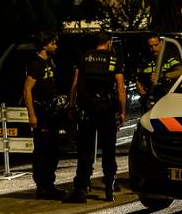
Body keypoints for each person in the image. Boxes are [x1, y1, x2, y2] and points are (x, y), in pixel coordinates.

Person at [63, 32, 126, 203]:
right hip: (106, 109)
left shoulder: (84, 57)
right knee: (108, 150)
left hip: (88, 110)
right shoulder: (113, 59)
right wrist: (122, 111)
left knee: (85, 150)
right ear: (108, 42)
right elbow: (120, 87)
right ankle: (109, 187)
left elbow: (75, 84)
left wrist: (71, 105)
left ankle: (81, 189)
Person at [23, 31, 66, 200]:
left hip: (51, 113)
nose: (56, 46)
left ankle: (50, 185)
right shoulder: (36, 64)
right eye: (53, 43)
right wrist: (32, 115)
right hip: (41, 114)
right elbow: (27, 90)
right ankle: (42, 187)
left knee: (53, 150)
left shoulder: (49, 62)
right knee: (42, 151)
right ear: (44, 45)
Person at [135, 34, 182, 100]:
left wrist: (161, 75)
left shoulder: (169, 56)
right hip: (149, 98)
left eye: (156, 45)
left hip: (168, 96)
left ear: (161, 43)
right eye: (150, 46)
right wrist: (138, 84)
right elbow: (139, 76)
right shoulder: (144, 59)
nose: (154, 49)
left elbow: (180, 72)